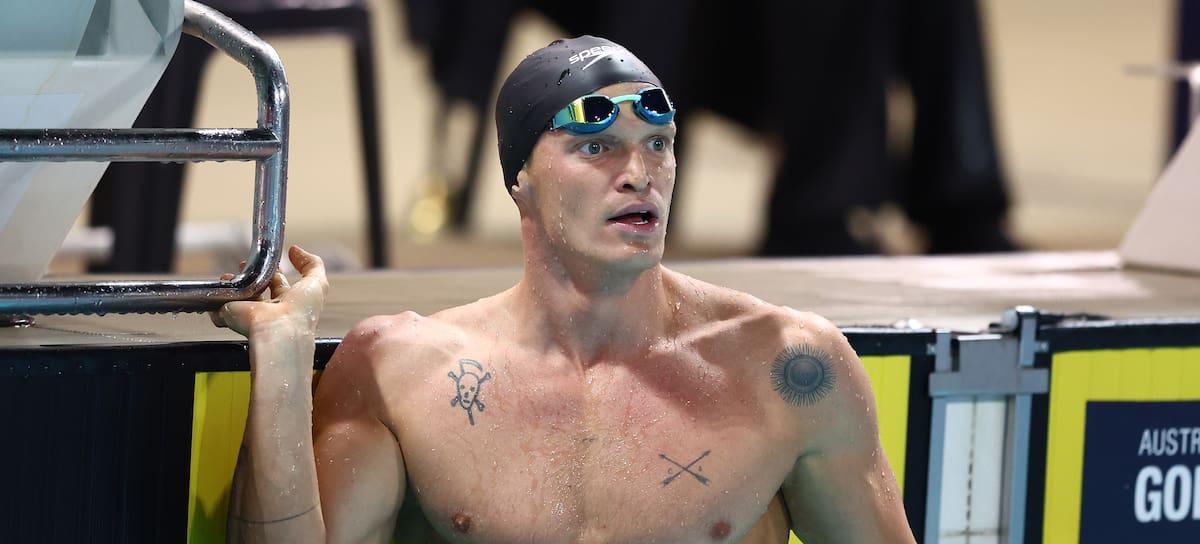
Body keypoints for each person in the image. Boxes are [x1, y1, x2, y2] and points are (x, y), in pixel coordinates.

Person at [216, 36, 914, 543]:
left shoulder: (788, 367)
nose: (639, 173)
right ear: (520, 180)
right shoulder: (400, 370)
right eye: (596, 148)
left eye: (659, 143)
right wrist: (282, 359)